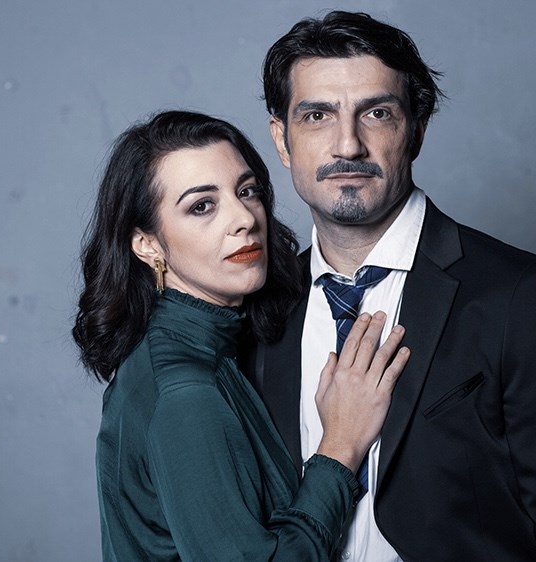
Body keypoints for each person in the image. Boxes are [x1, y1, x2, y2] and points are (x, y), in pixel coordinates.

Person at [246, 10, 536, 561]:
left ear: (417, 130)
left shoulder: (520, 296)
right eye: (317, 116)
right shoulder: (263, 311)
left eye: (376, 113)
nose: (347, 145)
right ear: (282, 140)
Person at [72, 110, 411, 561]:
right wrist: (341, 447)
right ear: (147, 244)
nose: (243, 219)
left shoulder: (211, 351)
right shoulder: (185, 393)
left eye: (247, 191)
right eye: (202, 206)